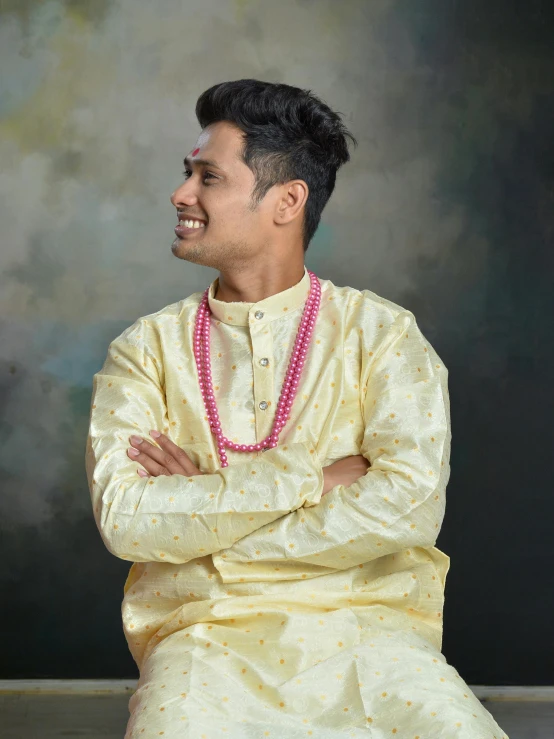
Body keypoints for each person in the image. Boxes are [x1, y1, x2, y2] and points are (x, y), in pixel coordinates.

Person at [86, 79, 508, 738]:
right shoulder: (145, 351)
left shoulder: (384, 336)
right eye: (186, 174)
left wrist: (206, 517)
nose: (181, 194)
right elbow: (126, 519)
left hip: (370, 635)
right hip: (204, 638)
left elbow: (410, 505)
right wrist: (310, 478)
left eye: (208, 177)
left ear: (286, 200)